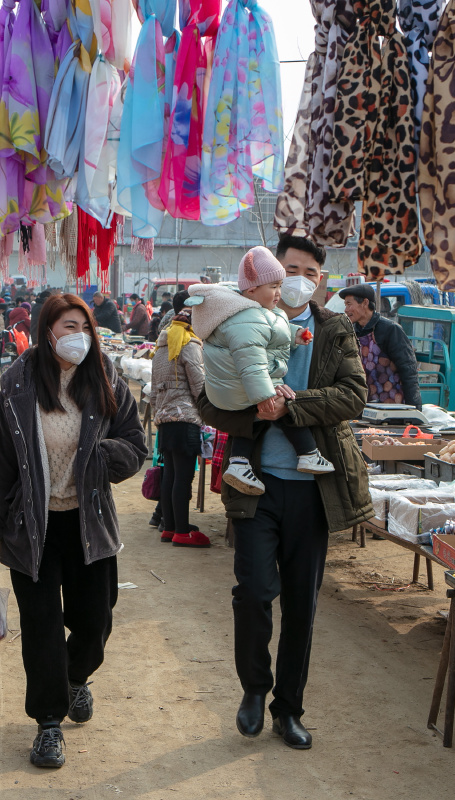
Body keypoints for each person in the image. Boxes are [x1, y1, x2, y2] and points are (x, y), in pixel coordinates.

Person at [196, 233, 372, 750]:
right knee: (253, 593)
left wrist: (290, 407)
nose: (298, 281)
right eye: (290, 269)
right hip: (255, 486)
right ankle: (254, 688)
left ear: (320, 280)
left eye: (310, 273)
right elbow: (207, 403)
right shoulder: (234, 321)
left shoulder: (333, 329)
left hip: (314, 490)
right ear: (269, 274)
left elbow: (353, 395)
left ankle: (288, 708)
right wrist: (255, 408)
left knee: (302, 604)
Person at [0, 293, 147, 768]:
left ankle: (75, 677)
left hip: (89, 522)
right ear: (47, 332)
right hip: (32, 527)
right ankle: (48, 724)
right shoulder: (19, 384)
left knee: (95, 621)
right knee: (42, 627)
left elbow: (134, 440)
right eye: (69, 327)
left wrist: (104, 457)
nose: (79, 337)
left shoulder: (104, 377)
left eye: (85, 328)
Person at [188, 246, 334, 498]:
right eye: (273, 286)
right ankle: (307, 453)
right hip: (241, 385)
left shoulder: (258, 312)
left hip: (233, 388)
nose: (279, 292)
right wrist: (265, 395)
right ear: (252, 289)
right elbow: (252, 363)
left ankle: (239, 462)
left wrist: (296, 335)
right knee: (282, 404)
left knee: (254, 417)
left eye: (280, 286)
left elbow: (274, 330)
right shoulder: (247, 318)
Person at [150, 292, 208, 547]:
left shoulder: (160, 347)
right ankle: (182, 532)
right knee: (183, 478)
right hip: (185, 419)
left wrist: (159, 413)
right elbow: (199, 386)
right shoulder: (189, 344)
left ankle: (170, 528)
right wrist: (209, 410)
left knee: (170, 475)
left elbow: (154, 389)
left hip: (165, 419)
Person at [338, 284, 422, 408]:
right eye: (345, 305)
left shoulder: (390, 330)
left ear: (365, 303)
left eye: (349, 304)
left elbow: (408, 370)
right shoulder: (351, 331)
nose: (346, 310)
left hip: (391, 406)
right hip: (363, 406)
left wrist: (415, 408)